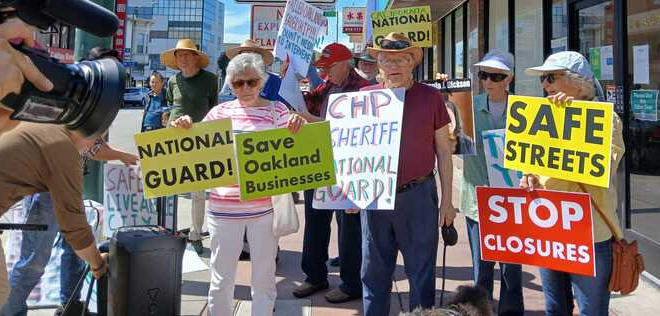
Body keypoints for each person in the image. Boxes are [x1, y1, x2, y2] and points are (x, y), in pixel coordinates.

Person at [0, 47, 138, 316]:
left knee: (72, 251)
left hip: (66, 185)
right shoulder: (68, 102)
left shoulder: (91, 105)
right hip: (45, 190)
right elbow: (87, 147)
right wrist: (98, 265)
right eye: (109, 72)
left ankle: (70, 305)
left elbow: (91, 147)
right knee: (33, 262)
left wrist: (121, 156)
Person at [172, 45, 306, 316]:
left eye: (251, 82)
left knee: (264, 278)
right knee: (221, 278)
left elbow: (297, 152)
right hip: (223, 210)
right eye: (238, 83)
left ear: (262, 82)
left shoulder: (278, 112)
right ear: (230, 84)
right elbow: (196, 149)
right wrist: (184, 127)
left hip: (264, 211)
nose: (245, 88)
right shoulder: (219, 113)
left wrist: (298, 127)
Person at [520, 51, 625, 316]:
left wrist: (573, 118)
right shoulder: (543, 116)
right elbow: (533, 162)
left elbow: (602, 169)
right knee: (555, 308)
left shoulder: (607, 120)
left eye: (551, 77)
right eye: (542, 79)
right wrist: (528, 176)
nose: (545, 85)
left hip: (589, 234)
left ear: (578, 83)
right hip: (550, 228)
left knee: (591, 310)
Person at [361, 32, 456, 315]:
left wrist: (447, 201)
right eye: (387, 60)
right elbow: (349, 151)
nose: (394, 66)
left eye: (401, 59)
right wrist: (350, 192)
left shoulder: (431, 97)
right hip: (374, 196)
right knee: (374, 273)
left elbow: (444, 151)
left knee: (422, 273)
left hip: (419, 197)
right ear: (378, 65)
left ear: (412, 63)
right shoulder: (364, 98)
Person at [286, 43, 368, 303]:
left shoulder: (364, 89)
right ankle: (314, 275)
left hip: (349, 167)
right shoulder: (326, 87)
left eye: (329, 67)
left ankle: (351, 283)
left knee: (349, 227)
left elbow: (352, 129)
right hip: (320, 161)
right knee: (315, 220)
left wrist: (310, 120)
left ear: (345, 63)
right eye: (322, 67)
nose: (325, 72)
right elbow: (303, 104)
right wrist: (289, 82)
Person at [459, 51, 524, 316]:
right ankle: (480, 311)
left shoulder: (525, 110)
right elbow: (444, 127)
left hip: (513, 202)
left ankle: (511, 312)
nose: (488, 81)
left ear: (509, 78)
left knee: (511, 267)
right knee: (482, 266)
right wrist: (445, 92)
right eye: (483, 75)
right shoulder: (467, 106)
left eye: (496, 76)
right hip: (478, 199)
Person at [161, 38, 219, 254]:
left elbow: (213, 109)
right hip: (172, 139)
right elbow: (170, 106)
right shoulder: (172, 81)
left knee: (198, 192)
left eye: (187, 55)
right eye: (179, 56)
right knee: (168, 188)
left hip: (199, 141)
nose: (183, 59)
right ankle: (166, 231)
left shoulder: (210, 80)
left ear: (196, 57)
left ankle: (195, 234)